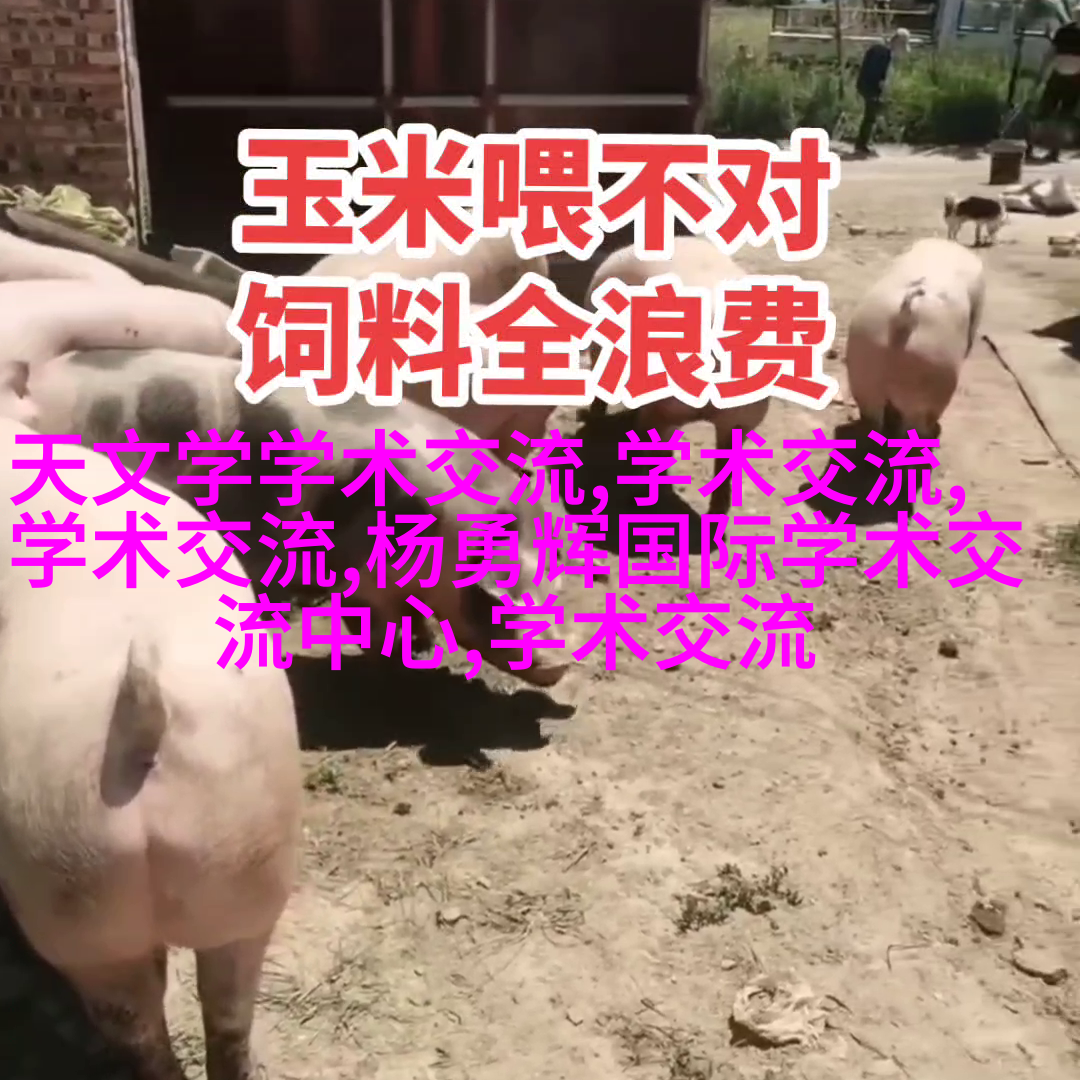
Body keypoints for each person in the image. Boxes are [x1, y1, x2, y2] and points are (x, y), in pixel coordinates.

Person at [1026, 19, 1080, 164]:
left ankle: (1053, 152)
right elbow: (1050, 53)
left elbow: (1050, 54)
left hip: (1073, 79)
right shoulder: (1065, 31)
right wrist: (1040, 75)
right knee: (1044, 114)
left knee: (1063, 117)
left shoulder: (1064, 31)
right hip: (1060, 77)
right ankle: (1029, 149)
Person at [854, 28, 911, 156]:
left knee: (871, 116)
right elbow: (874, 72)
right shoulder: (882, 51)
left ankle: (863, 143)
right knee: (870, 116)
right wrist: (878, 89)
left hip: (868, 85)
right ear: (897, 42)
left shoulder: (883, 49)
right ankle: (862, 144)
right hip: (869, 86)